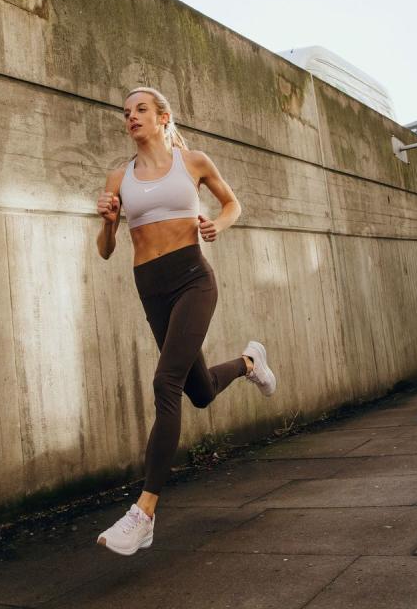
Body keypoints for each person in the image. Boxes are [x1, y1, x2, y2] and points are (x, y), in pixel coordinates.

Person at [94, 87, 276, 556]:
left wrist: (220, 223)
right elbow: (106, 250)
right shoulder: (119, 177)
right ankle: (248, 363)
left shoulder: (192, 161)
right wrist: (109, 221)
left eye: (140, 110)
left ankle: (144, 513)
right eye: (126, 112)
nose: (131, 117)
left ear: (162, 117)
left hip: (194, 278)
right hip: (150, 287)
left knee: (165, 382)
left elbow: (232, 203)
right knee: (198, 392)